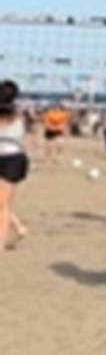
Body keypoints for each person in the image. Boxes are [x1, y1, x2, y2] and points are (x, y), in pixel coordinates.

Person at [0, 80, 30, 250]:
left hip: (11, 157)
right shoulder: (18, 114)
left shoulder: (15, 114)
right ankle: (18, 228)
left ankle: (0, 242)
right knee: (2, 202)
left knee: (3, 203)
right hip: (13, 157)